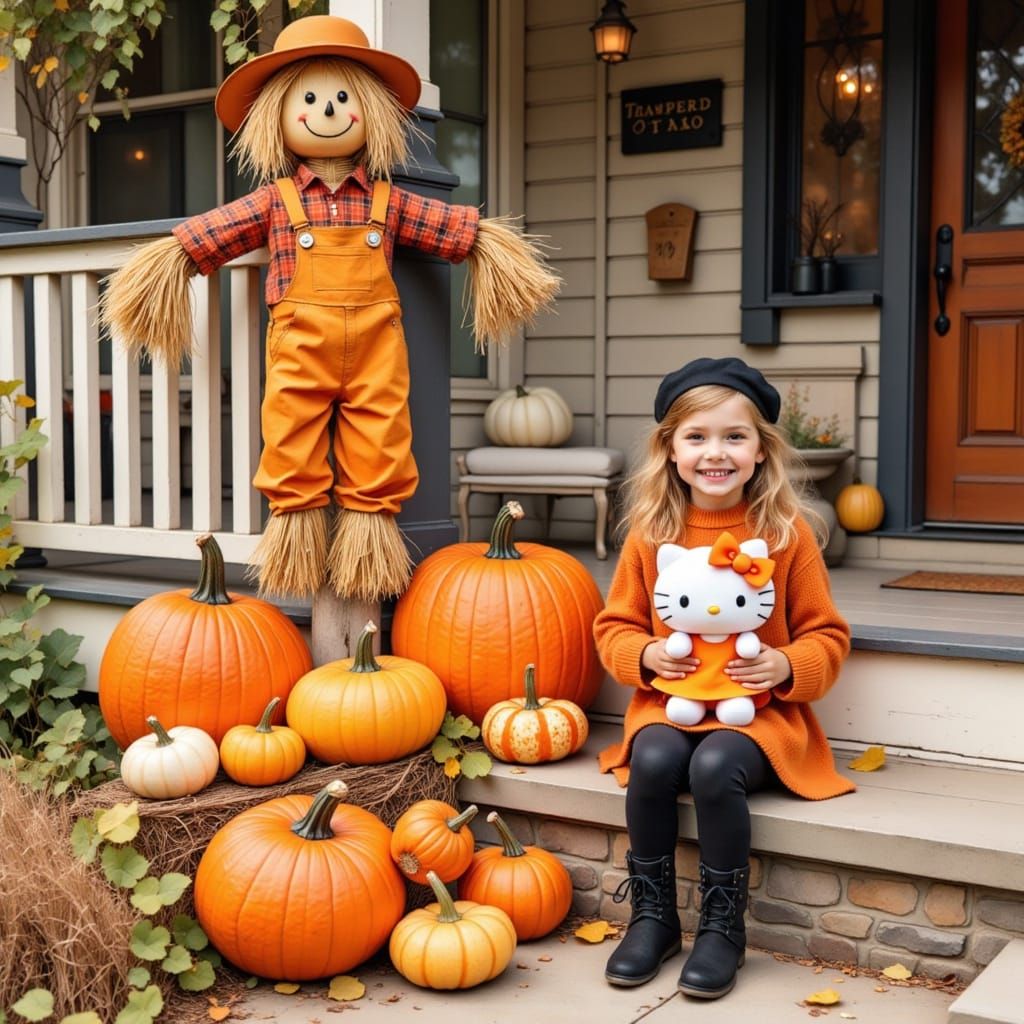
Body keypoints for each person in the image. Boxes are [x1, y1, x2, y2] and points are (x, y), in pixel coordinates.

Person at [100, 15, 558, 603]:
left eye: (343, 97)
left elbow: (462, 233)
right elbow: (205, 238)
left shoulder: (389, 204)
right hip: (300, 352)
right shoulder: (275, 201)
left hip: (377, 355)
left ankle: (369, 545)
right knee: (290, 437)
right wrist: (166, 264)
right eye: (310, 99)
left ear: (368, 108)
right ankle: (298, 539)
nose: (327, 110)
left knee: (382, 440)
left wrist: (495, 254)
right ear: (278, 116)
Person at [594, 356, 853, 999]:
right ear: (671, 450)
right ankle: (652, 917)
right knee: (653, 756)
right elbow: (614, 627)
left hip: (757, 714)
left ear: (761, 451)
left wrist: (789, 663)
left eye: (734, 437)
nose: (717, 452)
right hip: (672, 701)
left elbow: (829, 633)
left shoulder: (787, 535)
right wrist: (646, 657)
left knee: (714, 766)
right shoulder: (652, 535)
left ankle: (722, 929)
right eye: (698, 437)